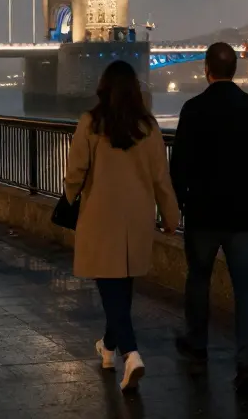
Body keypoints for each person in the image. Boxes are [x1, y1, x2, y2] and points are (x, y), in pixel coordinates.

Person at [64, 60, 180, 393]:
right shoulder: (149, 127)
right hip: (137, 218)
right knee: (122, 287)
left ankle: (131, 354)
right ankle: (108, 348)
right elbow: (161, 178)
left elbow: (76, 172)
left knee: (110, 288)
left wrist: (70, 195)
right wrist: (171, 216)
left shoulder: (90, 123)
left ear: (103, 88)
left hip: (101, 216)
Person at [170, 41, 248, 395]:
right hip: (244, 216)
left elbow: (179, 163)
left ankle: (197, 345)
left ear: (206, 69)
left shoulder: (193, 109)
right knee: (246, 288)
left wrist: (181, 200)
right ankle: (247, 365)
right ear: (236, 70)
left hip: (203, 213)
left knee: (198, 279)